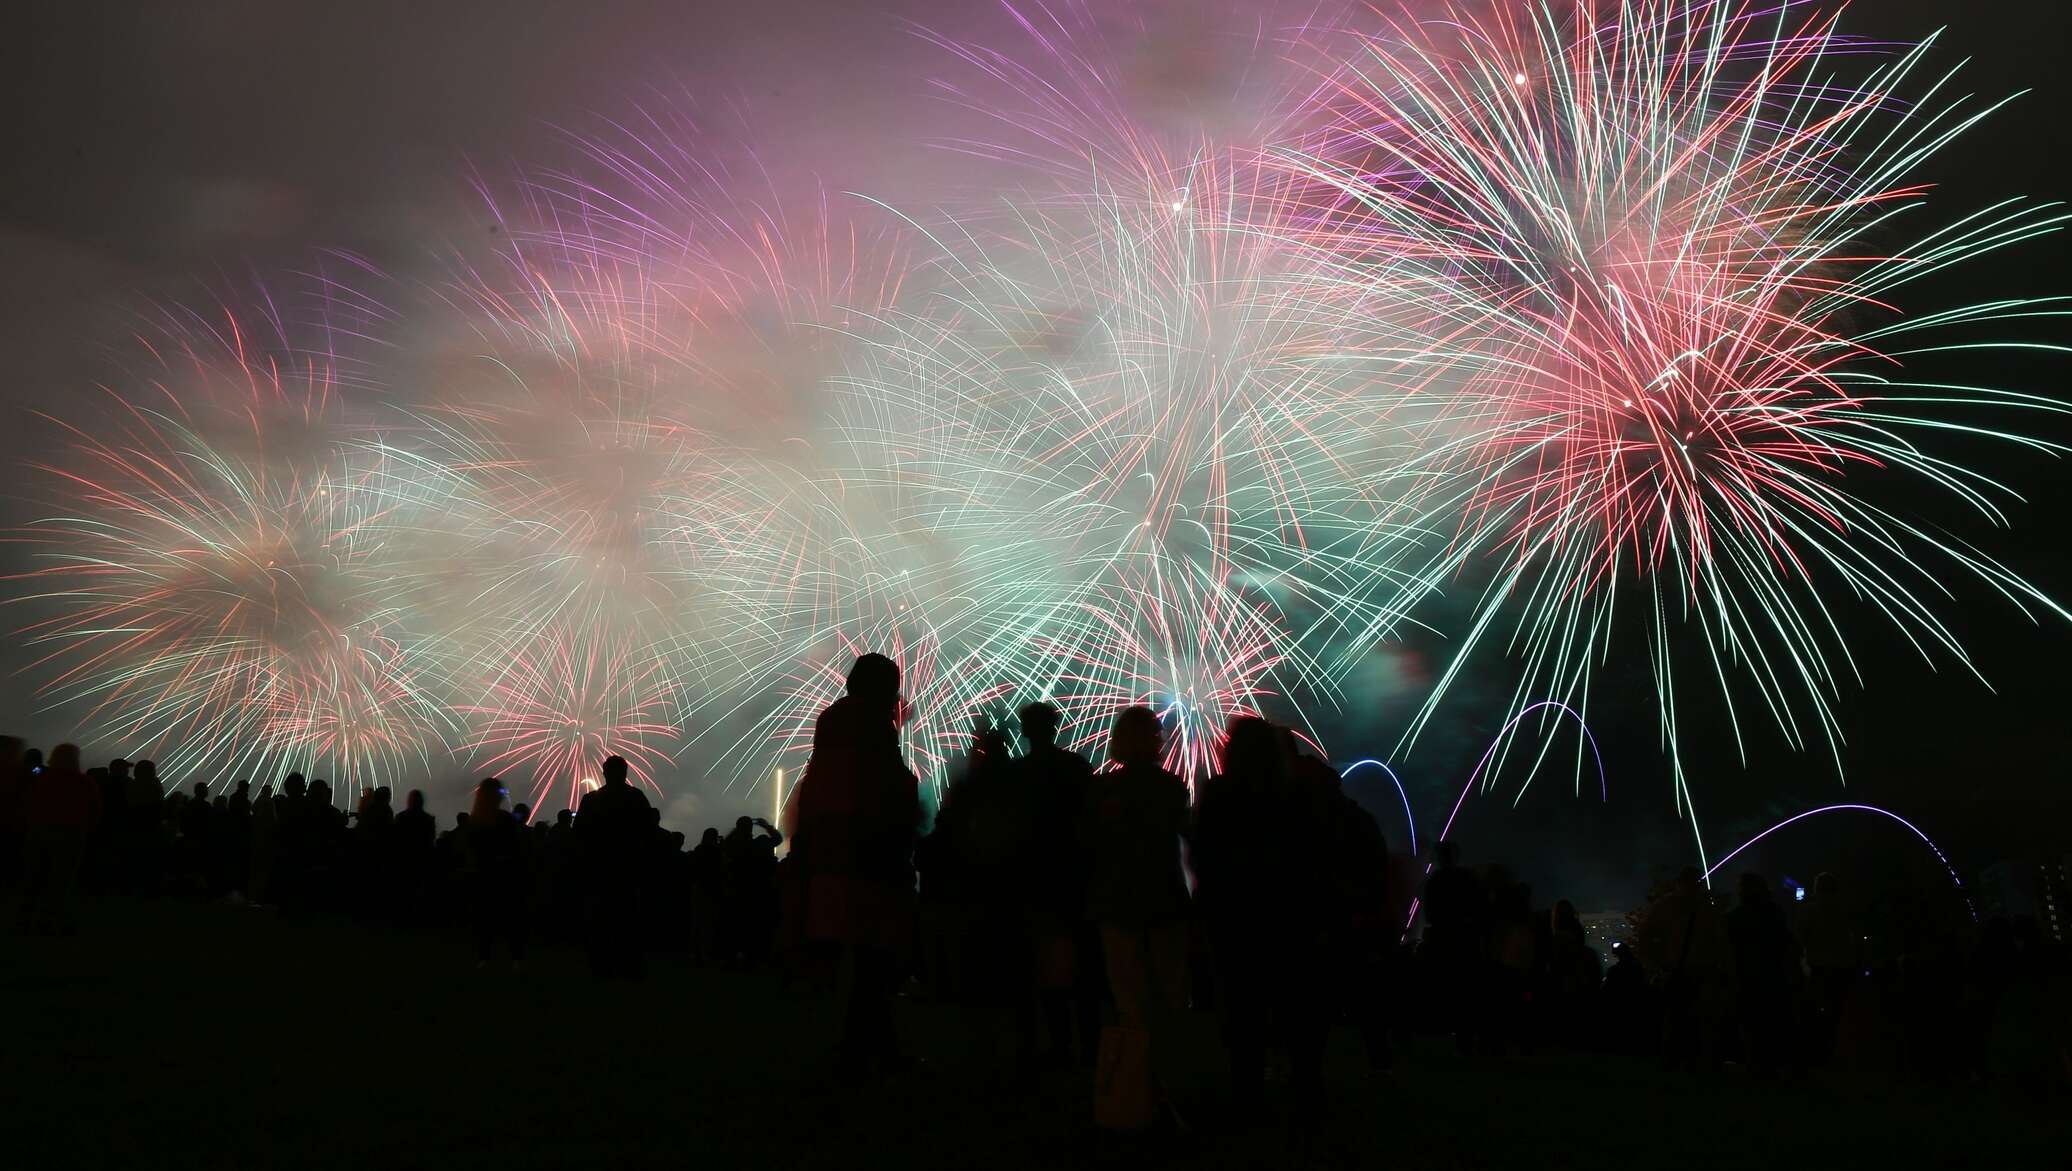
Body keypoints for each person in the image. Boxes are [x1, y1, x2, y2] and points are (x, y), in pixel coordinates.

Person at [785, 652, 922, 1077]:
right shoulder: (869, 727)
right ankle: (866, 1048)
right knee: (871, 955)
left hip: (832, 853)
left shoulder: (832, 723)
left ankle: (859, 1045)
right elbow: (885, 787)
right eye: (892, 685)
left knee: (851, 957)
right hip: (865, 856)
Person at [1080, 705, 1190, 1130]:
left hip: (1118, 906)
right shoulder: (1169, 787)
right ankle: (1159, 1087)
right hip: (1162, 904)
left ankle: (1134, 1090)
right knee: (1167, 998)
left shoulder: (1104, 791)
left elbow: (1091, 847)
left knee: (1130, 1000)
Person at [1014, 701, 1099, 1064]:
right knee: (1082, 968)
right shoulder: (1077, 768)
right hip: (1075, 877)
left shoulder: (1017, 774)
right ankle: (1091, 1047)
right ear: (1056, 727)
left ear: (1024, 730)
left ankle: (1059, 1046)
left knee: (1046, 969)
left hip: (1035, 881)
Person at [1637, 867, 1732, 1071]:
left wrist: (1654, 965)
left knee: (1675, 1019)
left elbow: (1644, 935)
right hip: (1697, 969)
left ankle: (1673, 1062)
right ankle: (1698, 1062)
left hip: (1678, 969)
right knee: (1699, 1021)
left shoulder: (1665, 906)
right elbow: (1720, 940)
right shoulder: (1705, 907)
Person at [575, 755, 655, 978]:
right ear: (625, 773)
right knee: (627, 921)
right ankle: (629, 966)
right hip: (627, 870)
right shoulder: (636, 798)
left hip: (599, 870)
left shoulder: (591, 800)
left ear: (604, 773)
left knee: (600, 921)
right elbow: (648, 831)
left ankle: (601, 966)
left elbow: (579, 834)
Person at [21, 743, 100, 934]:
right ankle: (50, 919)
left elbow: (27, 801)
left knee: (34, 877)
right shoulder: (84, 782)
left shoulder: (41, 778)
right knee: (60, 880)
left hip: (39, 831)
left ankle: (24, 918)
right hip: (70, 834)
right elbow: (95, 811)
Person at [1727, 872, 1799, 1074]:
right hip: (1771, 974)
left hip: (1750, 976)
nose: (1739, 890)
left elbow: (1729, 946)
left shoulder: (1738, 916)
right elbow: (1786, 942)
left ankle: (1755, 1063)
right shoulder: (1774, 912)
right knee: (1771, 1020)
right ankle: (1774, 1063)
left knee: (1752, 1021)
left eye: (1741, 886)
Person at [1419, 839, 1487, 1052]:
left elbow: (1429, 913)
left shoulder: (1435, 882)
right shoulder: (1468, 879)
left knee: (1446, 985)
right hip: (1464, 939)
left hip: (1444, 938)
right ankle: (1465, 1035)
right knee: (1465, 988)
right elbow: (1479, 907)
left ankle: (1445, 1029)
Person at [464, 778, 529, 968]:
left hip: (483, 875)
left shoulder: (474, 821)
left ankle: (483, 957)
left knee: (485, 918)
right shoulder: (504, 820)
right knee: (510, 918)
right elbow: (515, 847)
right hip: (504, 875)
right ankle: (515, 958)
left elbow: (470, 850)